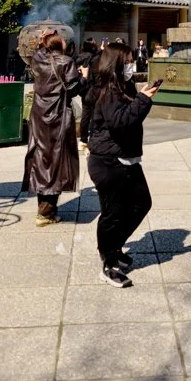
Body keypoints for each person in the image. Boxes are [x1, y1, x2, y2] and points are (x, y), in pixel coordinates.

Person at [81, 42, 158, 288]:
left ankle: (112, 246)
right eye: (127, 62)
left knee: (141, 202)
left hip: (126, 157)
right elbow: (121, 122)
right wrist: (143, 101)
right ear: (116, 64)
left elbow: (129, 116)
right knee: (113, 213)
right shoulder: (107, 90)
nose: (131, 66)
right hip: (108, 161)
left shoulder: (124, 86)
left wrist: (141, 96)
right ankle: (108, 262)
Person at [24, 30, 82, 226]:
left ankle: (45, 209)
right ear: (60, 44)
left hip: (39, 116)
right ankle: (45, 212)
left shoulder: (37, 60)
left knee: (41, 159)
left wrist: (42, 40)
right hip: (58, 117)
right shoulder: (66, 62)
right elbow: (74, 88)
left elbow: (38, 53)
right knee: (57, 162)